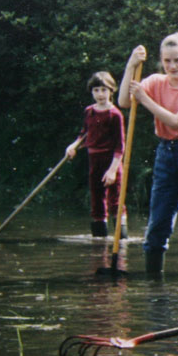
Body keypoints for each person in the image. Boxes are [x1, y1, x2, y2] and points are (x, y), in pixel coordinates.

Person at [120, 33, 178, 276]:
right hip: (165, 156)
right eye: (167, 61)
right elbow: (124, 102)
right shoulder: (155, 81)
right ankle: (154, 289)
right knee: (157, 227)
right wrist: (131, 65)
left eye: (177, 60)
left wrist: (144, 99)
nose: (172, 66)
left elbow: (175, 121)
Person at [66, 71, 125, 238]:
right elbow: (84, 134)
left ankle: (121, 241)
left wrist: (112, 171)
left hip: (112, 161)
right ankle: (99, 242)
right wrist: (73, 146)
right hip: (94, 160)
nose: (100, 94)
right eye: (96, 90)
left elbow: (120, 146)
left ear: (111, 91)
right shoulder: (89, 111)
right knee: (97, 200)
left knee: (115, 201)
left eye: (104, 90)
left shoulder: (115, 115)